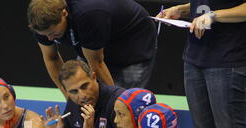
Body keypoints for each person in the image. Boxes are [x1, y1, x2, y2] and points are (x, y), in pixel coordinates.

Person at [27, 0, 157, 96]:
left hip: (131, 41)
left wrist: (114, 106)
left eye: (53, 33)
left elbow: (97, 65)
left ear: (64, 13)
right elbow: (52, 58)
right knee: (82, 92)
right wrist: (69, 96)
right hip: (94, 41)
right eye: (46, 35)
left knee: (123, 105)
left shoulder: (87, 14)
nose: (50, 38)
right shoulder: (40, 23)